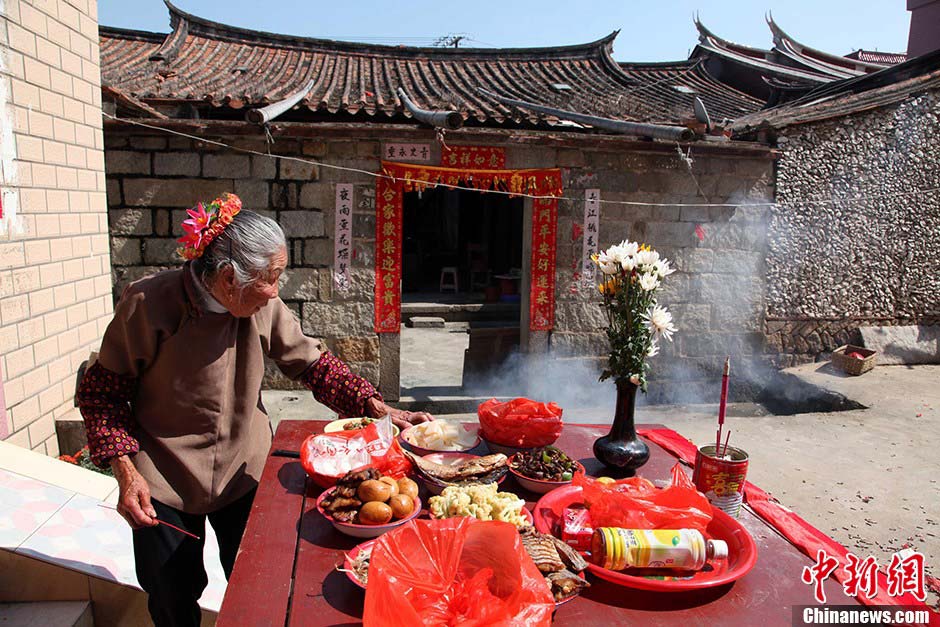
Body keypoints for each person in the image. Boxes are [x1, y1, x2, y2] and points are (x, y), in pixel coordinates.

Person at [77, 193, 431, 626]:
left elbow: (315, 364)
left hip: (243, 471)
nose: (276, 291)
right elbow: (101, 396)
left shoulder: (261, 305)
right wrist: (126, 474)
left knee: (258, 586)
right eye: (271, 277)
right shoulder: (148, 305)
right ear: (228, 278)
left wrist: (377, 407)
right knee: (171, 596)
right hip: (162, 480)